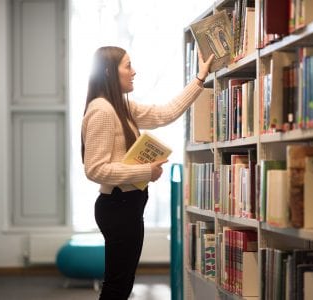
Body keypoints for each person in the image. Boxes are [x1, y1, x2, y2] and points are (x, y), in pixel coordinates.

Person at [81, 45, 214, 300]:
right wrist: (145, 171)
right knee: (117, 286)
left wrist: (199, 79)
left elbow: (166, 113)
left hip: (127, 205)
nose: (134, 72)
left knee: (122, 284)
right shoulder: (102, 110)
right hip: (118, 206)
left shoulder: (120, 106)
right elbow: (95, 169)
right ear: (110, 71)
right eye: (128, 65)